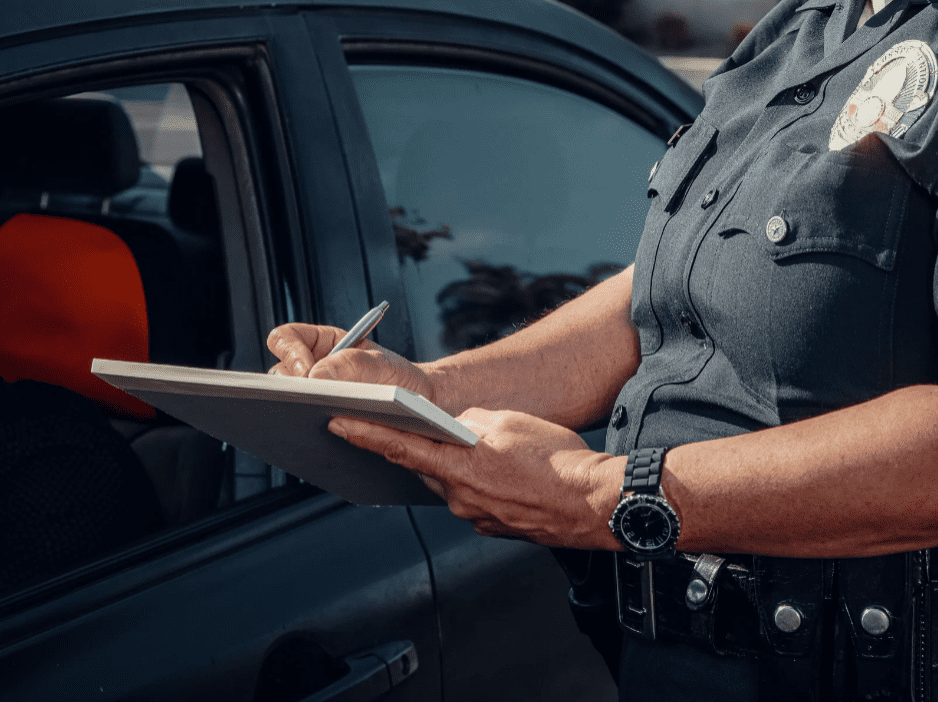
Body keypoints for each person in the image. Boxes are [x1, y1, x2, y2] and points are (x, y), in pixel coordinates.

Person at [267, 0, 938, 698]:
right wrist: (428, 389)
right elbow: (661, 289)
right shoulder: (797, 30)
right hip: (670, 658)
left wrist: (596, 495)